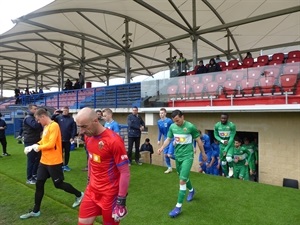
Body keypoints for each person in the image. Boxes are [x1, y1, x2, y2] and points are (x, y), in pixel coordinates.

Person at [20, 108, 83, 220]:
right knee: (39, 184)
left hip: (54, 161)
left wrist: (37, 147)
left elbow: (51, 144)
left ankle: (79, 195)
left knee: (58, 184)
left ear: (43, 116)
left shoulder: (54, 126)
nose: (38, 122)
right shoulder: (46, 127)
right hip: (44, 161)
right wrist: (33, 146)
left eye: (39, 119)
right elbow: (44, 141)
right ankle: (36, 211)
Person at [75, 107, 130, 225]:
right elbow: (91, 159)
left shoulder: (114, 141)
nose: (81, 131)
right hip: (92, 191)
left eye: (84, 126)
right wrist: (89, 179)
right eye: (79, 127)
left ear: (95, 120)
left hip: (110, 194)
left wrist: (121, 200)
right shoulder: (88, 137)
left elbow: (125, 172)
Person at [157, 110, 207, 218]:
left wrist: (203, 153)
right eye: (175, 121)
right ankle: (192, 191)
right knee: (182, 176)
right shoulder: (172, 127)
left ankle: (178, 207)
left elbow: (198, 141)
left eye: (178, 120)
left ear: (182, 117)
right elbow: (168, 139)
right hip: (178, 156)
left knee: (182, 180)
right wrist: (162, 147)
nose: (177, 123)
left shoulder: (190, 127)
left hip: (188, 156)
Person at [52, 106, 77, 172]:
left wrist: (72, 137)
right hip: (59, 139)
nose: (65, 112)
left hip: (68, 139)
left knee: (67, 152)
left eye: (66, 110)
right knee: (59, 152)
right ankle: (60, 165)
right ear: (62, 111)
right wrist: (54, 114)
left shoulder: (71, 119)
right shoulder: (58, 117)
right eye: (64, 110)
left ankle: (66, 165)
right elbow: (51, 120)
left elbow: (74, 129)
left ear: (68, 111)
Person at [23, 104, 43, 184]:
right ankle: (29, 178)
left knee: (37, 159)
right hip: (30, 142)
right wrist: (40, 121)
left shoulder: (33, 118)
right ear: (30, 109)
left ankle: (34, 174)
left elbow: (40, 127)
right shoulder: (28, 118)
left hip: (36, 141)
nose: (36, 110)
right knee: (31, 160)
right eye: (34, 109)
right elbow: (35, 126)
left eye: (36, 109)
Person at [214, 113, 236, 178]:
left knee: (228, 158)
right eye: (222, 118)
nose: (223, 120)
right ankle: (226, 175)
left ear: (227, 118)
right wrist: (222, 141)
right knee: (223, 162)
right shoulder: (217, 125)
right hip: (222, 145)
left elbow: (232, 138)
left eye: (224, 118)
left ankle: (231, 169)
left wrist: (226, 149)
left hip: (230, 145)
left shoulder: (232, 125)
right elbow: (216, 135)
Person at [157, 108, 175, 174]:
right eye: (160, 113)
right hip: (165, 139)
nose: (161, 114)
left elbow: (174, 129)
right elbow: (160, 131)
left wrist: (175, 139)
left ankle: (180, 160)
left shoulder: (169, 121)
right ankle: (169, 168)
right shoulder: (159, 122)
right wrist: (158, 139)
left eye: (162, 113)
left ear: (165, 113)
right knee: (165, 155)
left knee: (169, 155)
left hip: (171, 138)